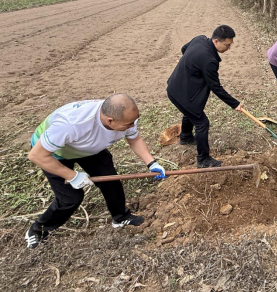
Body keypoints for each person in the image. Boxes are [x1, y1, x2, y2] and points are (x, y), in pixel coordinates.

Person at [25, 93, 166, 248]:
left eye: (134, 121)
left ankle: (120, 217)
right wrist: (72, 176)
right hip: (53, 153)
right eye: (128, 124)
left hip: (88, 148)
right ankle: (38, 230)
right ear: (110, 120)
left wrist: (151, 163)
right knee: (70, 198)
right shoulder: (71, 124)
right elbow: (36, 155)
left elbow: (134, 139)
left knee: (110, 180)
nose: (132, 126)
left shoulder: (126, 116)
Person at [167, 25, 243, 168]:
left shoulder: (200, 39)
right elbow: (216, 87)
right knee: (202, 123)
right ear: (216, 41)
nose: (228, 48)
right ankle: (203, 159)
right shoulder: (209, 61)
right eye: (227, 45)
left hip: (174, 86)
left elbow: (184, 49)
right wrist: (235, 104)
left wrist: (190, 66)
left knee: (192, 111)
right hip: (181, 93)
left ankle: (185, 136)